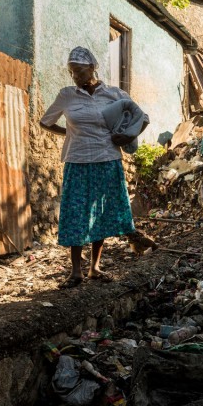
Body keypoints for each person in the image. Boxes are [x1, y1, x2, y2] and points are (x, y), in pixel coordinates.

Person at [40, 46, 144, 288]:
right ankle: (76, 271)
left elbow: (139, 117)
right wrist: (71, 133)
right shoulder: (67, 95)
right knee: (76, 214)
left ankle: (94, 268)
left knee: (101, 213)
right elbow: (46, 122)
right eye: (71, 71)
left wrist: (127, 136)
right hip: (77, 161)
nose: (75, 76)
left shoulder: (114, 94)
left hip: (107, 159)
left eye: (79, 70)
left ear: (92, 68)